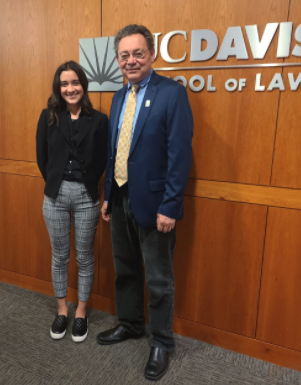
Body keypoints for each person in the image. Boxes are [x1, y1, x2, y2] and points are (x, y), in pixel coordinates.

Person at [96, 25, 193, 380]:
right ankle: (131, 323)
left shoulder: (172, 94)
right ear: (118, 60)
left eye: (138, 53)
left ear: (151, 54)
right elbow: (113, 152)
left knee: (158, 278)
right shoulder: (119, 97)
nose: (131, 60)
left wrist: (170, 206)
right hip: (119, 199)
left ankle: (162, 342)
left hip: (155, 205)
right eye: (124, 55)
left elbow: (179, 154)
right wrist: (107, 196)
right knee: (125, 270)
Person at [36, 60, 108, 342]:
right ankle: (62, 310)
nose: (70, 88)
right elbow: (42, 157)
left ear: (83, 85)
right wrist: (55, 181)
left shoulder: (99, 120)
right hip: (54, 195)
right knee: (60, 257)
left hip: (86, 196)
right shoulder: (48, 116)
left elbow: (103, 159)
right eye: (64, 84)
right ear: (58, 88)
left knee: (85, 257)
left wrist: (85, 181)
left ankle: (81, 312)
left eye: (75, 83)